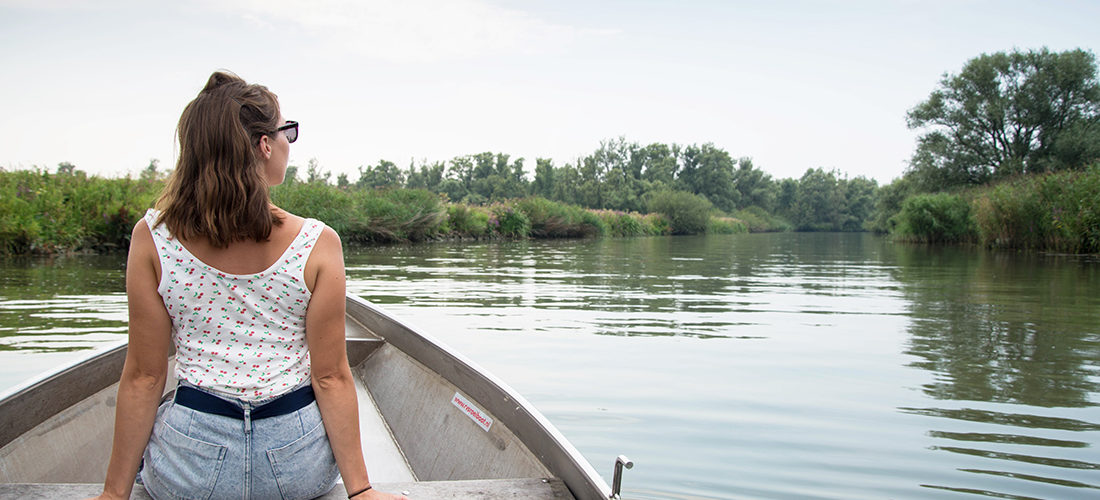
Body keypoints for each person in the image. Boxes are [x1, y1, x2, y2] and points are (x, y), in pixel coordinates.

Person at [91, 71, 408, 500]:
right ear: (264, 145)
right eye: (286, 132)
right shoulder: (317, 243)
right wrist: (361, 491)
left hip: (191, 465)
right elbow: (331, 376)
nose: (288, 143)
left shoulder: (153, 238)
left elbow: (145, 377)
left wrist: (113, 495)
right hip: (294, 465)